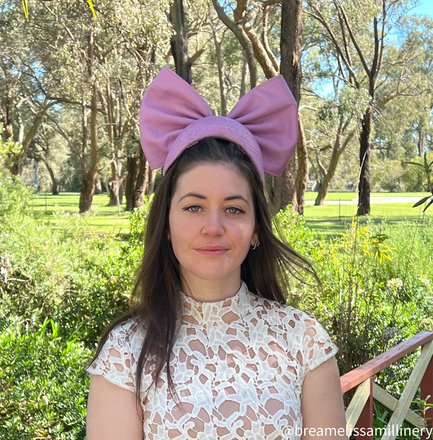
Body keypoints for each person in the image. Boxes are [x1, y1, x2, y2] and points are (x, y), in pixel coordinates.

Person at [86, 67, 347, 440]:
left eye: (234, 209)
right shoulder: (125, 352)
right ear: (166, 224)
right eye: (194, 207)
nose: (213, 227)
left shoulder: (304, 340)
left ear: (256, 230)